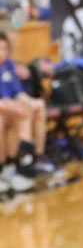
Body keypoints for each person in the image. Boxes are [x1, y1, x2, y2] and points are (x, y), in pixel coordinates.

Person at [0, 30, 61, 184]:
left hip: (9, 106)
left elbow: (18, 92)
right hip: (4, 108)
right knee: (12, 115)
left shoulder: (8, 64)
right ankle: (10, 166)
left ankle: (33, 159)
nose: (3, 52)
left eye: (5, 48)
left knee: (36, 106)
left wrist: (27, 101)